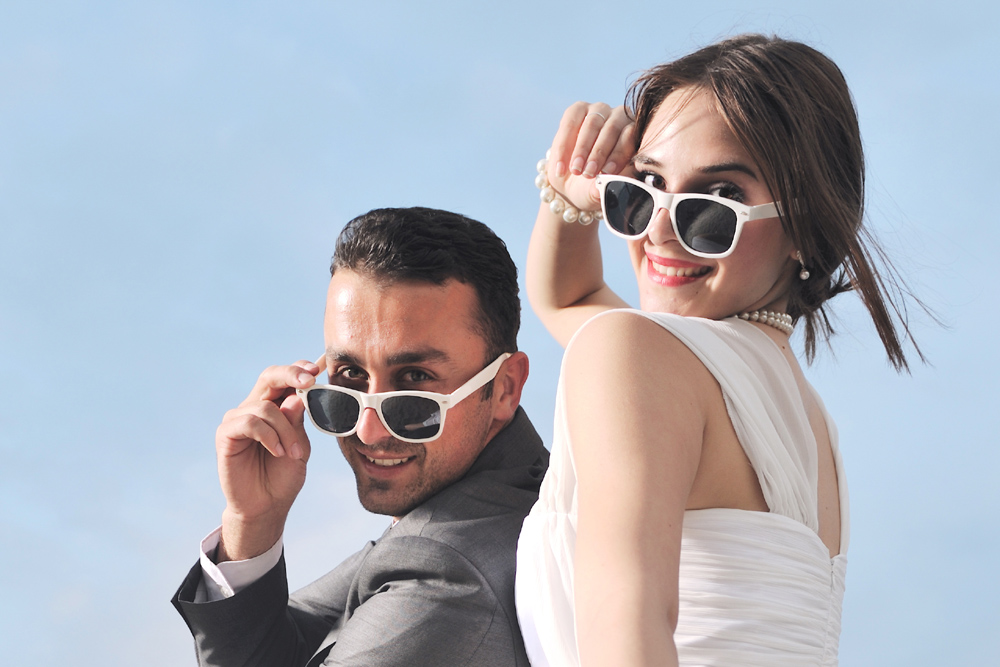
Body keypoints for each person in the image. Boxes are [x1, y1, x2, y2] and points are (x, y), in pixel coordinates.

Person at [514, 34, 921, 666]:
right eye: (641, 188)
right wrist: (572, 193)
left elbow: (627, 637)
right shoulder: (810, 427)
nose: (658, 230)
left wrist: (568, 197)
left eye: (717, 203)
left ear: (804, 229)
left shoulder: (640, 356)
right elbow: (568, 298)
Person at [172, 207, 549, 666]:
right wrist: (252, 521)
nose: (368, 431)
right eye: (349, 375)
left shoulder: (447, 570)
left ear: (505, 386)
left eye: (414, 381)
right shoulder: (499, 496)